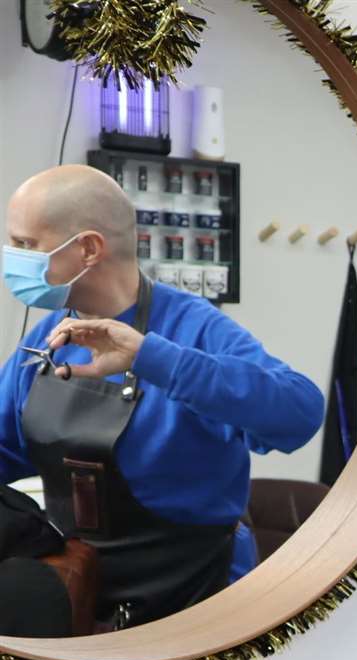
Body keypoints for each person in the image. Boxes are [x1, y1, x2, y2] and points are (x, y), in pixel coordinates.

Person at [0, 165, 322, 629]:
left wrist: (153, 358)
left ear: (88, 249)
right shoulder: (49, 338)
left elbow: (299, 413)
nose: (14, 258)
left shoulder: (193, 328)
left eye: (27, 245)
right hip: (84, 600)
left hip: (201, 602)